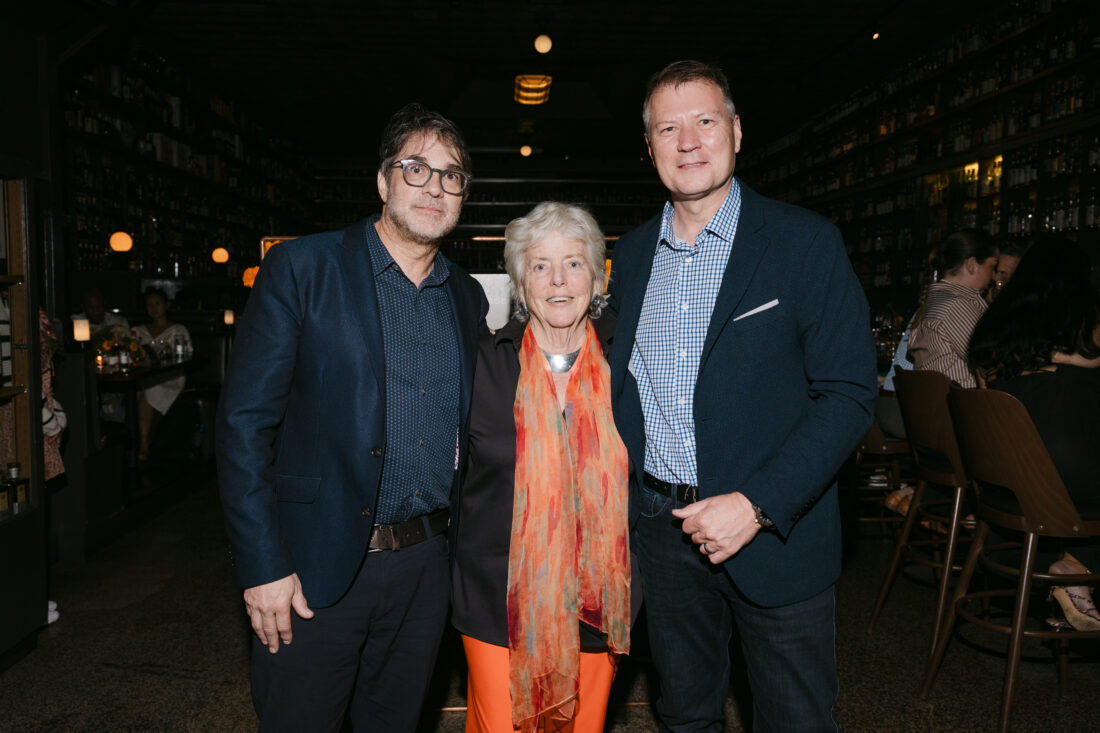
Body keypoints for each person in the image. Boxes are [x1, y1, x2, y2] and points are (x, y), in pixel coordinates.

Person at [607, 60, 877, 732]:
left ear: (735, 130)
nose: (688, 140)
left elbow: (847, 393)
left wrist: (757, 504)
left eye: (704, 121)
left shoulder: (804, 242)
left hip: (776, 536)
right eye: (668, 127)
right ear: (651, 148)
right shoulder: (633, 254)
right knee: (686, 713)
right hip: (663, 535)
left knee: (794, 717)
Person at [216, 103, 488, 732]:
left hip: (426, 569)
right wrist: (263, 568)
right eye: (415, 168)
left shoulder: (467, 297)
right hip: (311, 569)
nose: (433, 187)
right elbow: (243, 428)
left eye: (451, 176)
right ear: (383, 181)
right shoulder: (303, 268)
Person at [452, 203, 634, 733]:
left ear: (597, 276)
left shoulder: (631, 360)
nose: (558, 280)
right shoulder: (482, 362)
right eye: (539, 266)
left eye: (574, 264)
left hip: (597, 603)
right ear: (518, 279)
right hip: (495, 599)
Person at [968, 236, 1100, 631]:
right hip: (1066, 473)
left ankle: (1062, 573)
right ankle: (1077, 566)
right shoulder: (1087, 327)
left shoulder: (993, 329)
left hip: (1002, 476)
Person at [908, 229, 999, 389]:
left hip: (942, 406)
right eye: (992, 266)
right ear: (971, 265)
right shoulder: (956, 305)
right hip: (962, 408)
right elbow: (989, 361)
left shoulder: (940, 298)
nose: (994, 276)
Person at [132, 288, 191, 461]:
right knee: (135, 390)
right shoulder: (138, 330)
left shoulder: (178, 330)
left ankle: (143, 444)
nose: (153, 308)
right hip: (143, 376)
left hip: (170, 377)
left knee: (149, 388)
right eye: (149, 305)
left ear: (166, 305)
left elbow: (186, 355)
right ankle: (135, 442)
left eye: (157, 303)